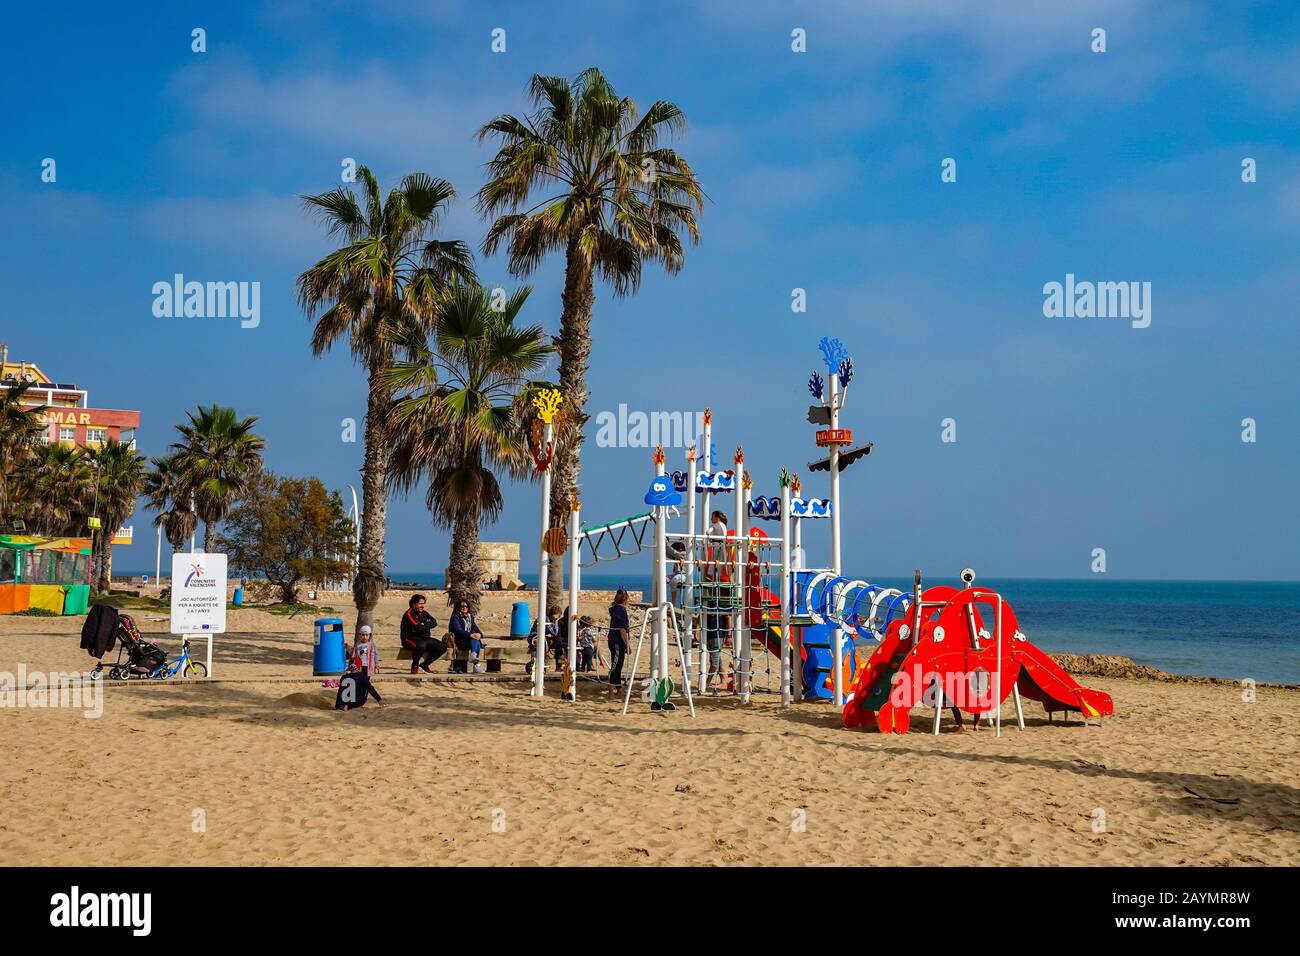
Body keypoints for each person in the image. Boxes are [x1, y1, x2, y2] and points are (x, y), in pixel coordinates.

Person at [400, 594, 445, 675]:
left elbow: (434, 622)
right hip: (409, 639)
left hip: (423, 638)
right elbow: (417, 627)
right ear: (414, 604)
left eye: (423, 604)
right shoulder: (409, 613)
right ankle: (415, 665)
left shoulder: (424, 613)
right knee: (421, 646)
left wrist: (423, 624)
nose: (422, 606)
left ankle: (425, 664)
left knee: (442, 647)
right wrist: (425, 625)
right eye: (420, 604)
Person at [448, 599, 485, 674]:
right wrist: (470, 635)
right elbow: (457, 630)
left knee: (476, 639)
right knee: (474, 639)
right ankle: (476, 665)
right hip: (459, 641)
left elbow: (475, 627)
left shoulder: (470, 617)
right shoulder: (455, 617)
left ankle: (474, 656)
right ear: (459, 607)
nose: (464, 607)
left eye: (466, 606)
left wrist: (480, 634)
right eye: (462, 606)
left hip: (468, 641)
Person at [607, 589, 630, 692]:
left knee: (619, 665)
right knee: (616, 665)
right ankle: (610, 688)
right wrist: (627, 644)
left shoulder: (616, 609)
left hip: (615, 640)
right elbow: (622, 630)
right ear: (625, 600)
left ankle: (618, 687)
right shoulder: (620, 610)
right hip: (617, 641)